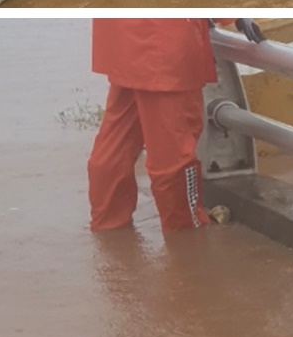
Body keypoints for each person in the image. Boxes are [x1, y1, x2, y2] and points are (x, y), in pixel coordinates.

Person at [88, 20, 220, 234]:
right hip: (162, 42)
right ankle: (185, 237)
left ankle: (109, 233)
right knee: (173, 158)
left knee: (116, 143)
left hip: (121, 40)